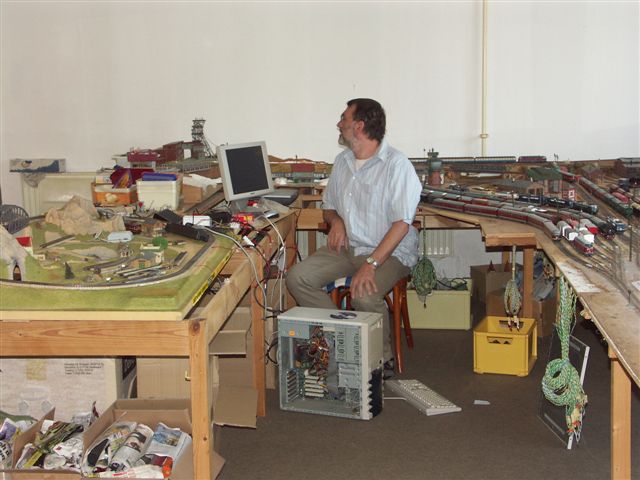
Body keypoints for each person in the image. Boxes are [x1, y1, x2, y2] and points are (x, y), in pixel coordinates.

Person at [286, 98, 422, 375]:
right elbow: (329, 207)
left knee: (363, 295)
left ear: (359, 126)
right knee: (297, 277)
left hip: (389, 252)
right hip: (349, 247)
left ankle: (380, 361)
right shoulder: (343, 162)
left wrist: (371, 264)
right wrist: (335, 221)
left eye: (344, 118)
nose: (339, 124)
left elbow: (401, 225)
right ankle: (340, 342)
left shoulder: (397, 165)